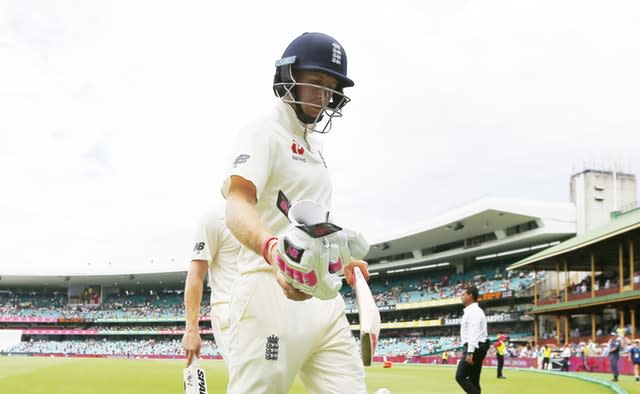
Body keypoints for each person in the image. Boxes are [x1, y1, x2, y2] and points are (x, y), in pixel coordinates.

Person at [222, 32, 369, 394]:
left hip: (325, 302)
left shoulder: (316, 150)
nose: (323, 97)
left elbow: (312, 226)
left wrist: (342, 259)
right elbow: (237, 203)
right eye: (316, 83)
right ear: (288, 76)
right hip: (270, 293)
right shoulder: (262, 132)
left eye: (331, 88)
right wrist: (274, 251)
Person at [182, 203, 240, 366]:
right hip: (231, 313)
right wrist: (191, 329)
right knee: (249, 384)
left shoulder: (271, 214)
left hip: (267, 312)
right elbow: (196, 274)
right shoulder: (215, 218)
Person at [455, 286, 489, 394]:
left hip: (475, 347)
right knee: (474, 380)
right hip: (477, 347)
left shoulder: (474, 311)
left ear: (470, 296)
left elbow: (474, 331)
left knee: (460, 376)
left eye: (463, 294)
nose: (461, 297)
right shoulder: (474, 310)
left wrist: (470, 352)